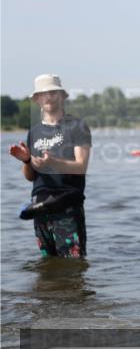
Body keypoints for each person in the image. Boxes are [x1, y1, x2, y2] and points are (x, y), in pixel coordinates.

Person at [7, 74, 91, 258]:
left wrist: (53, 162)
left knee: (73, 265)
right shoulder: (34, 131)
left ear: (62, 96)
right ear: (37, 99)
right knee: (47, 263)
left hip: (67, 204)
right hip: (39, 207)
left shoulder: (77, 126)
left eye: (53, 92)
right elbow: (30, 177)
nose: (48, 97)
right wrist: (27, 161)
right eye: (43, 94)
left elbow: (81, 167)